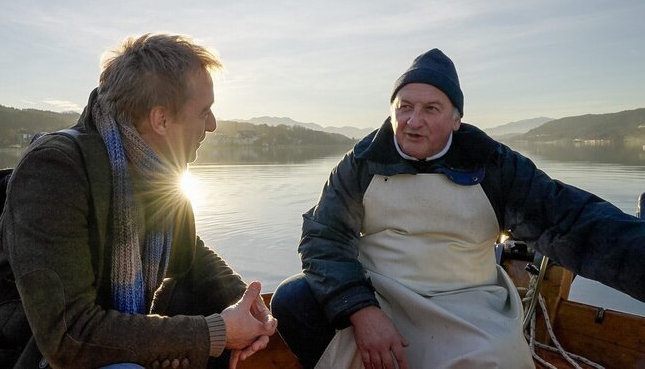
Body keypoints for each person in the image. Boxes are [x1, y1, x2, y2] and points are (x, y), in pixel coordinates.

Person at [270, 48, 645, 369]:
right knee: (292, 299)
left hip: (468, 304)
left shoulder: (494, 166)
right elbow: (324, 237)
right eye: (405, 108)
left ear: (456, 119)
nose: (414, 122)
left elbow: (573, 223)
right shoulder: (362, 163)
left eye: (431, 109)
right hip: (380, 295)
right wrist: (361, 310)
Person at [0, 34, 277, 369]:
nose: (212, 125)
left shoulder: (159, 170)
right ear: (161, 119)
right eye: (204, 111)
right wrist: (216, 332)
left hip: (87, 343)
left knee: (199, 311)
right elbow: (70, 336)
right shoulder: (53, 171)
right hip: (22, 353)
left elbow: (191, 254)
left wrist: (246, 303)